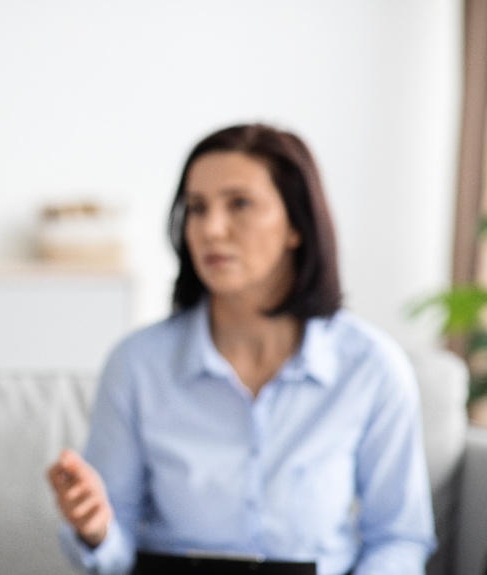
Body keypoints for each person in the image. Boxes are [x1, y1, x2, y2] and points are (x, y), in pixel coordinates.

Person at [47, 124, 436, 575]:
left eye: (240, 204)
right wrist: (97, 529)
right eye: (197, 208)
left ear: (296, 225)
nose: (210, 229)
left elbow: (399, 539)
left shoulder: (372, 367)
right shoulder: (136, 365)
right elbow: (116, 553)